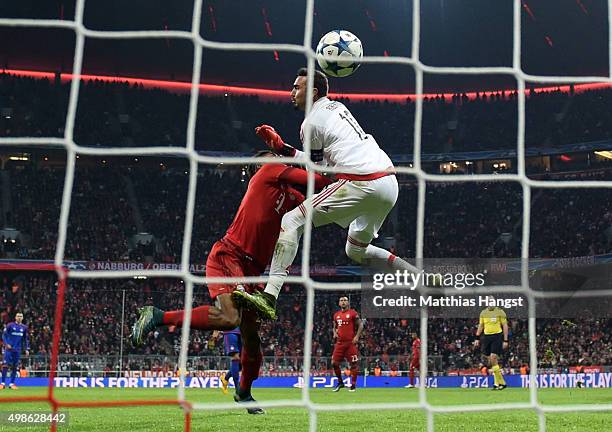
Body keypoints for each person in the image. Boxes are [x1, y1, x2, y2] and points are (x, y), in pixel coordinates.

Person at [130, 151, 330, 413]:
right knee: (229, 319)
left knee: (252, 340)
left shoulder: (291, 196)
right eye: (271, 156)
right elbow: (320, 183)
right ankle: (157, 316)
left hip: (252, 272)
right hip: (229, 255)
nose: (277, 159)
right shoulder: (267, 172)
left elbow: (320, 205)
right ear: (258, 165)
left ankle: (244, 394)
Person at [233, 67, 419, 320]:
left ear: (313, 91)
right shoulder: (337, 108)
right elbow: (321, 163)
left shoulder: (309, 124)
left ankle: (269, 296)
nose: (292, 92)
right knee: (355, 251)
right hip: (388, 182)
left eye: (297, 87)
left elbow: (319, 174)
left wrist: (282, 152)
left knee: (291, 221)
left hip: (361, 181)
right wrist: (281, 147)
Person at [474, 300, 508, 390]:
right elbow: (481, 325)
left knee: (493, 358)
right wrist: (477, 338)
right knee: (491, 361)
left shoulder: (500, 312)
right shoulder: (483, 313)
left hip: (497, 336)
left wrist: (505, 340)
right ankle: (498, 383)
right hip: (486, 337)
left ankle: (502, 383)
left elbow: (505, 326)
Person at [331, 296, 363, 392]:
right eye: (341, 300)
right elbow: (334, 326)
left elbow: (360, 324)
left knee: (354, 364)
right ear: (339, 303)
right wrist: (334, 333)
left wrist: (357, 336)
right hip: (339, 343)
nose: (343, 302)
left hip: (350, 343)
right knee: (334, 363)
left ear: (348, 303)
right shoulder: (336, 315)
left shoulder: (353, 313)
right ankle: (341, 383)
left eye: (345, 300)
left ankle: (353, 385)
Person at [1, 312, 30, 390]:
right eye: (18, 316)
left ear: (22, 318)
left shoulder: (24, 328)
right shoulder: (10, 325)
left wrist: (27, 348)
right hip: (8, 349)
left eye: (21, 316)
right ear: (15, 317)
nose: (19, 317)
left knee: (15, 366)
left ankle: (11, 384)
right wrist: (6, 344)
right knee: (5, 365)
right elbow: (3, 335)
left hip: (17, 350)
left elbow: (25, 339)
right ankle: (2, 383)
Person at [209, 328, 241, 395]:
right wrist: (216, 330)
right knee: (235, 357)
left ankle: (225, 378)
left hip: (243, 332)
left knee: (242, 362)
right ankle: (238, 390)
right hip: (230, 331)